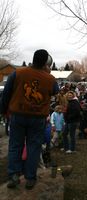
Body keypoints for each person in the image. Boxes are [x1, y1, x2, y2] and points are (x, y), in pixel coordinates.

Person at [0, 49, 59, 189]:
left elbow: (6, 93)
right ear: (46, 63)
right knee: (34, 147)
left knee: (15, 146)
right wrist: (47, 74)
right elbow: (55, 91)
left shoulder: (18, 73)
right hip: (37, 118)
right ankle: (30, 178)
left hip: (18, 115)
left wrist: (3, 111)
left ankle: (14, 175)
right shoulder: (50, 78)